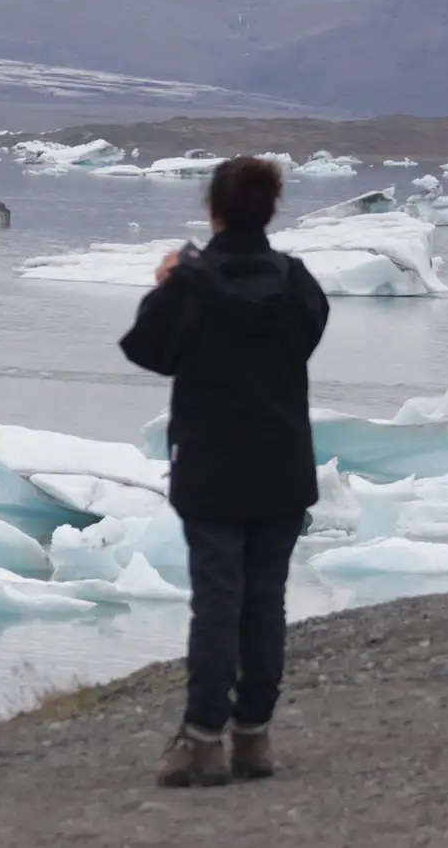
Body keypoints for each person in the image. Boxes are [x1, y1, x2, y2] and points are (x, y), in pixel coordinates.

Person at [119, 157, 330, 788]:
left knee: (217, 603)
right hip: (282, 466)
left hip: (211, 468)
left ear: (213, 210)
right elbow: (307, 336)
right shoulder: (296, 282)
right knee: (265, 601)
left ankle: (202, 740)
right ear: (270, 209)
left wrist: (166, 285)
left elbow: (146, 350)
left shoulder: (192, 283)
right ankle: (254, 739)